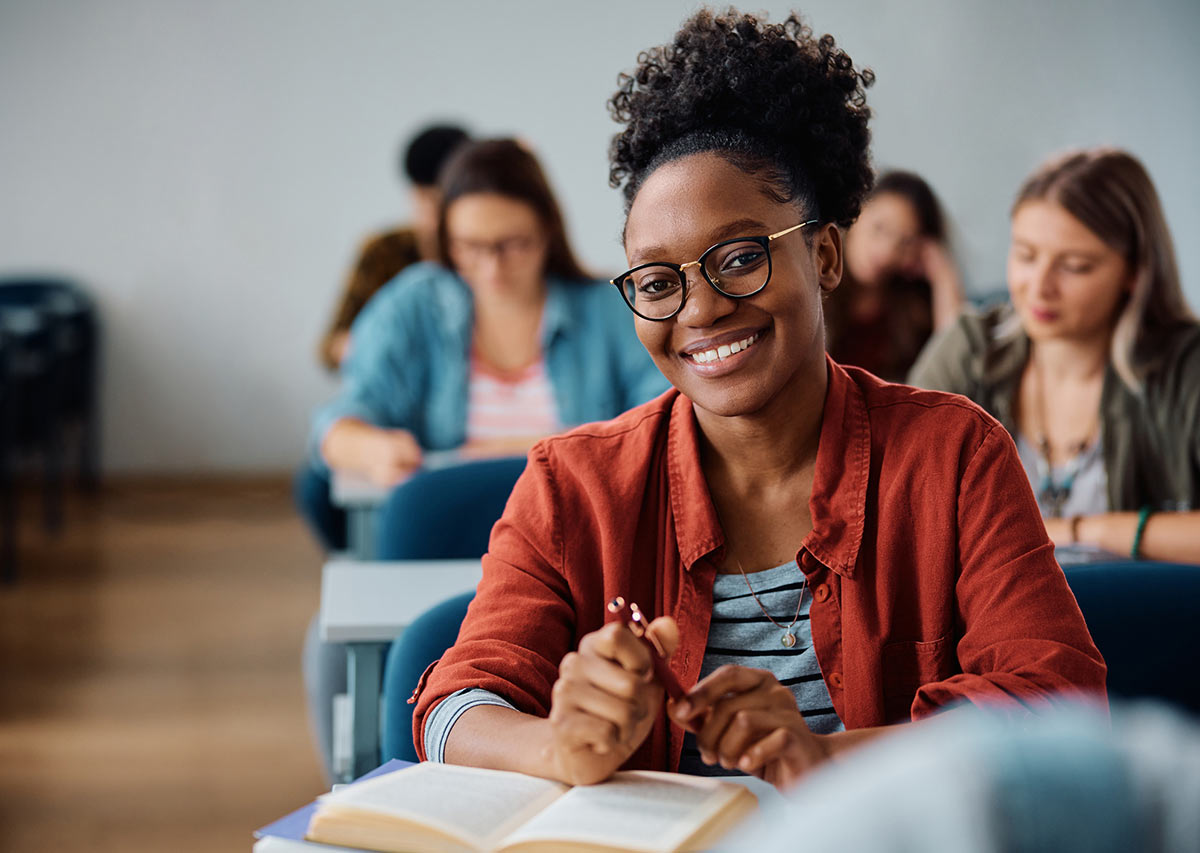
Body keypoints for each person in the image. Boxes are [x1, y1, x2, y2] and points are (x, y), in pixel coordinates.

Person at [411, 10, 1105, 791]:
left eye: (739, 258)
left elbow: (1060, 701)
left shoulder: (954, 455)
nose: (699, 310)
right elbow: (451, 706)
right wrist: (557, 745)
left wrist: (825, 757)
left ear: (826, 254)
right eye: (657, 281)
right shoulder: (572, 485)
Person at [300, 138, 669, 779]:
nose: (492, 266)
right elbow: (338, 421)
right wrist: (376, 445)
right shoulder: (416, 302)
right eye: (471, 248)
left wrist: (516, 451)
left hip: (578, 550)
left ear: (547, 232)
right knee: (331, 648)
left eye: (513, 245)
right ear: (446, 241)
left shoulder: (604, 311)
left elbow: (665, 421)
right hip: (442, 544)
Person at [909, 148, 1200, 564]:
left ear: (1135, 271)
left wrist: (1083, 531)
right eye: (1026, 255)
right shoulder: (970, 348)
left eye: (1076, 266)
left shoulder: (1186, 366)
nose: (1039, 287)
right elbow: (888, 499)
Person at [317, 123, 469, 371]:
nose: (435, 217)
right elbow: (329, 348)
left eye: (445, 203)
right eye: (425, 200)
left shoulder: (481, 257)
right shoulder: (383, 250)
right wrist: (373, 344)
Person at [825, 170, 964, 380]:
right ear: (855, 213)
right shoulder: (815, 285)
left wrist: (943, 278)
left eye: (905, 241)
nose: (886, 251)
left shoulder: (910, 314)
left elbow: (955, 370)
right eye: (879, 228)